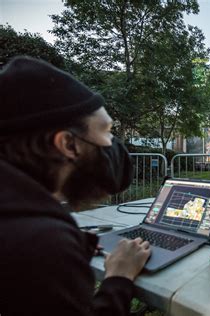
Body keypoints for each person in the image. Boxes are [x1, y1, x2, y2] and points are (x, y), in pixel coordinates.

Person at [0, 56, 151, 315]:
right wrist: (119, 278)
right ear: (68, 144)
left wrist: (75, 243)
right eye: (106, 131)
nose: (112, 143)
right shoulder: (43, 244)